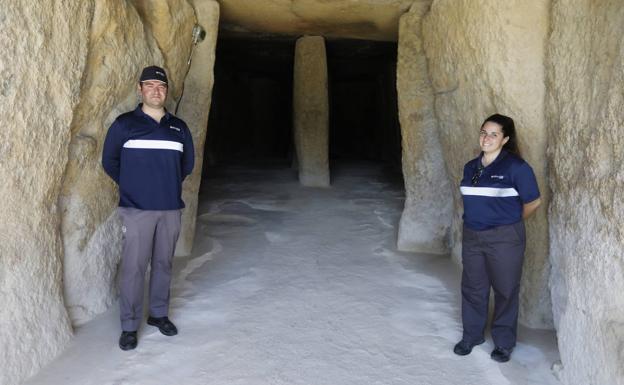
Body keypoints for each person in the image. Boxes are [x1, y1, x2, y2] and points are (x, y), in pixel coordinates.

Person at [102, 65, 195, 350]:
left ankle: (158, 314)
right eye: (151, 85)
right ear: (140, 89)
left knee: (164, 264)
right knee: (134, 267)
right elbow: (110, 162)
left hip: (169, 208)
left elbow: (186, 165)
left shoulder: (179, 127)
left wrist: (164, 185)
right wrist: (134, 186)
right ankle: (129, 326)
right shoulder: (124, 124)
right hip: (137, 209)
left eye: (162, 86)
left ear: (167, 91)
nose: (157, 90)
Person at [453, 114, 541, 363]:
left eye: (493, 134)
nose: (486, 138)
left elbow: (534, 202)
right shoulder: (471, 166)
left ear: (505, 139)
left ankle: (503, 343)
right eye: (483, 132)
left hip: (505, 237)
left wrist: (510, 222)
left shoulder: (516, 167)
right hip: (472, 234)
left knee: (505, 290)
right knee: (472, 287)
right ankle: (471, 336)